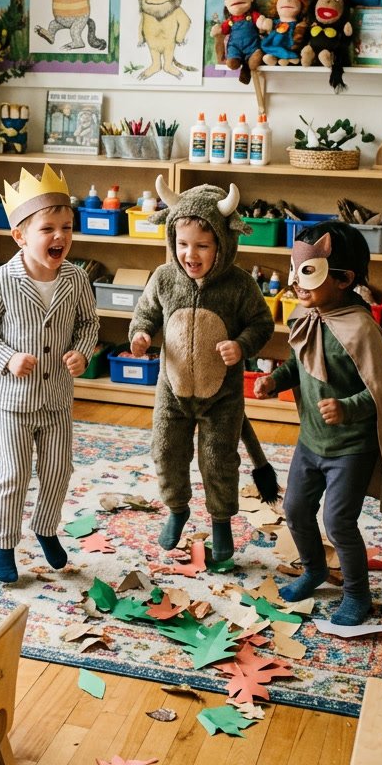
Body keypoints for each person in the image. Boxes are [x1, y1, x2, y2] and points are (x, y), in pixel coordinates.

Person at [254, 221, 382, 625]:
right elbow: (300, 363)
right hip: (311, 441)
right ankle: (314, 569)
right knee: (295, 508)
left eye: (308, 272)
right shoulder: (306, 315)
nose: (296, 283)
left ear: (344, 279)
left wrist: (347, 408)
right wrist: (274, 380)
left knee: (338, 521)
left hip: (350, 448)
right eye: (295, 270)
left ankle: (357, 594)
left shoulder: (360, 329)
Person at [129, 180, 275, 562]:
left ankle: (221, 521)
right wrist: (141, 334)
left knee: (218, 460)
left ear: (223, 245)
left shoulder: (240, 285)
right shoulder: (164, 278)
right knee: (165, 451)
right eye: (182, 244)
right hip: (173, 391)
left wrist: (241, 345)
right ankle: (177, 509)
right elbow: (145, 314)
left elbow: (262, 323)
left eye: (202, 246)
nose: (189, 254)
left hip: (221, 397)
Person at [0, 164, 99, 584]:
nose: (60, 236)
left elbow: (89, 323)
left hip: (57, 397)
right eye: (48, 229)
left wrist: (82, 353)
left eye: (67, 227)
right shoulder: (1, 280)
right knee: (13, 475)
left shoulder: (76, 278)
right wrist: (7, 357)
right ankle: (4, 544)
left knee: (59, 470)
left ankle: (45, 527)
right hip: (12, 401)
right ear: (20, 236)